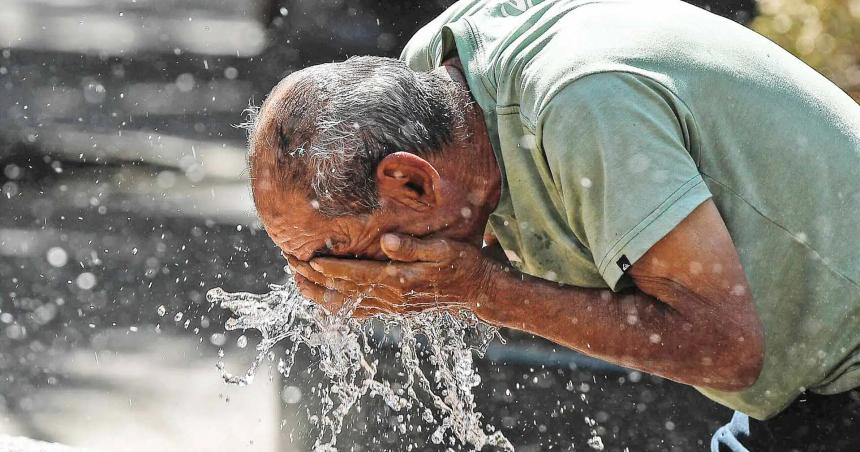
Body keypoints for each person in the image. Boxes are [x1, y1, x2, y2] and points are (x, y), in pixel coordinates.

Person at [244, 0, 860, 449]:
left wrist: (482, 291)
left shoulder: (581, 110)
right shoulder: (446, 85)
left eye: (338, 251)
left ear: (411, 182)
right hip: (808, 387)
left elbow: (727, 352)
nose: (334, 283)